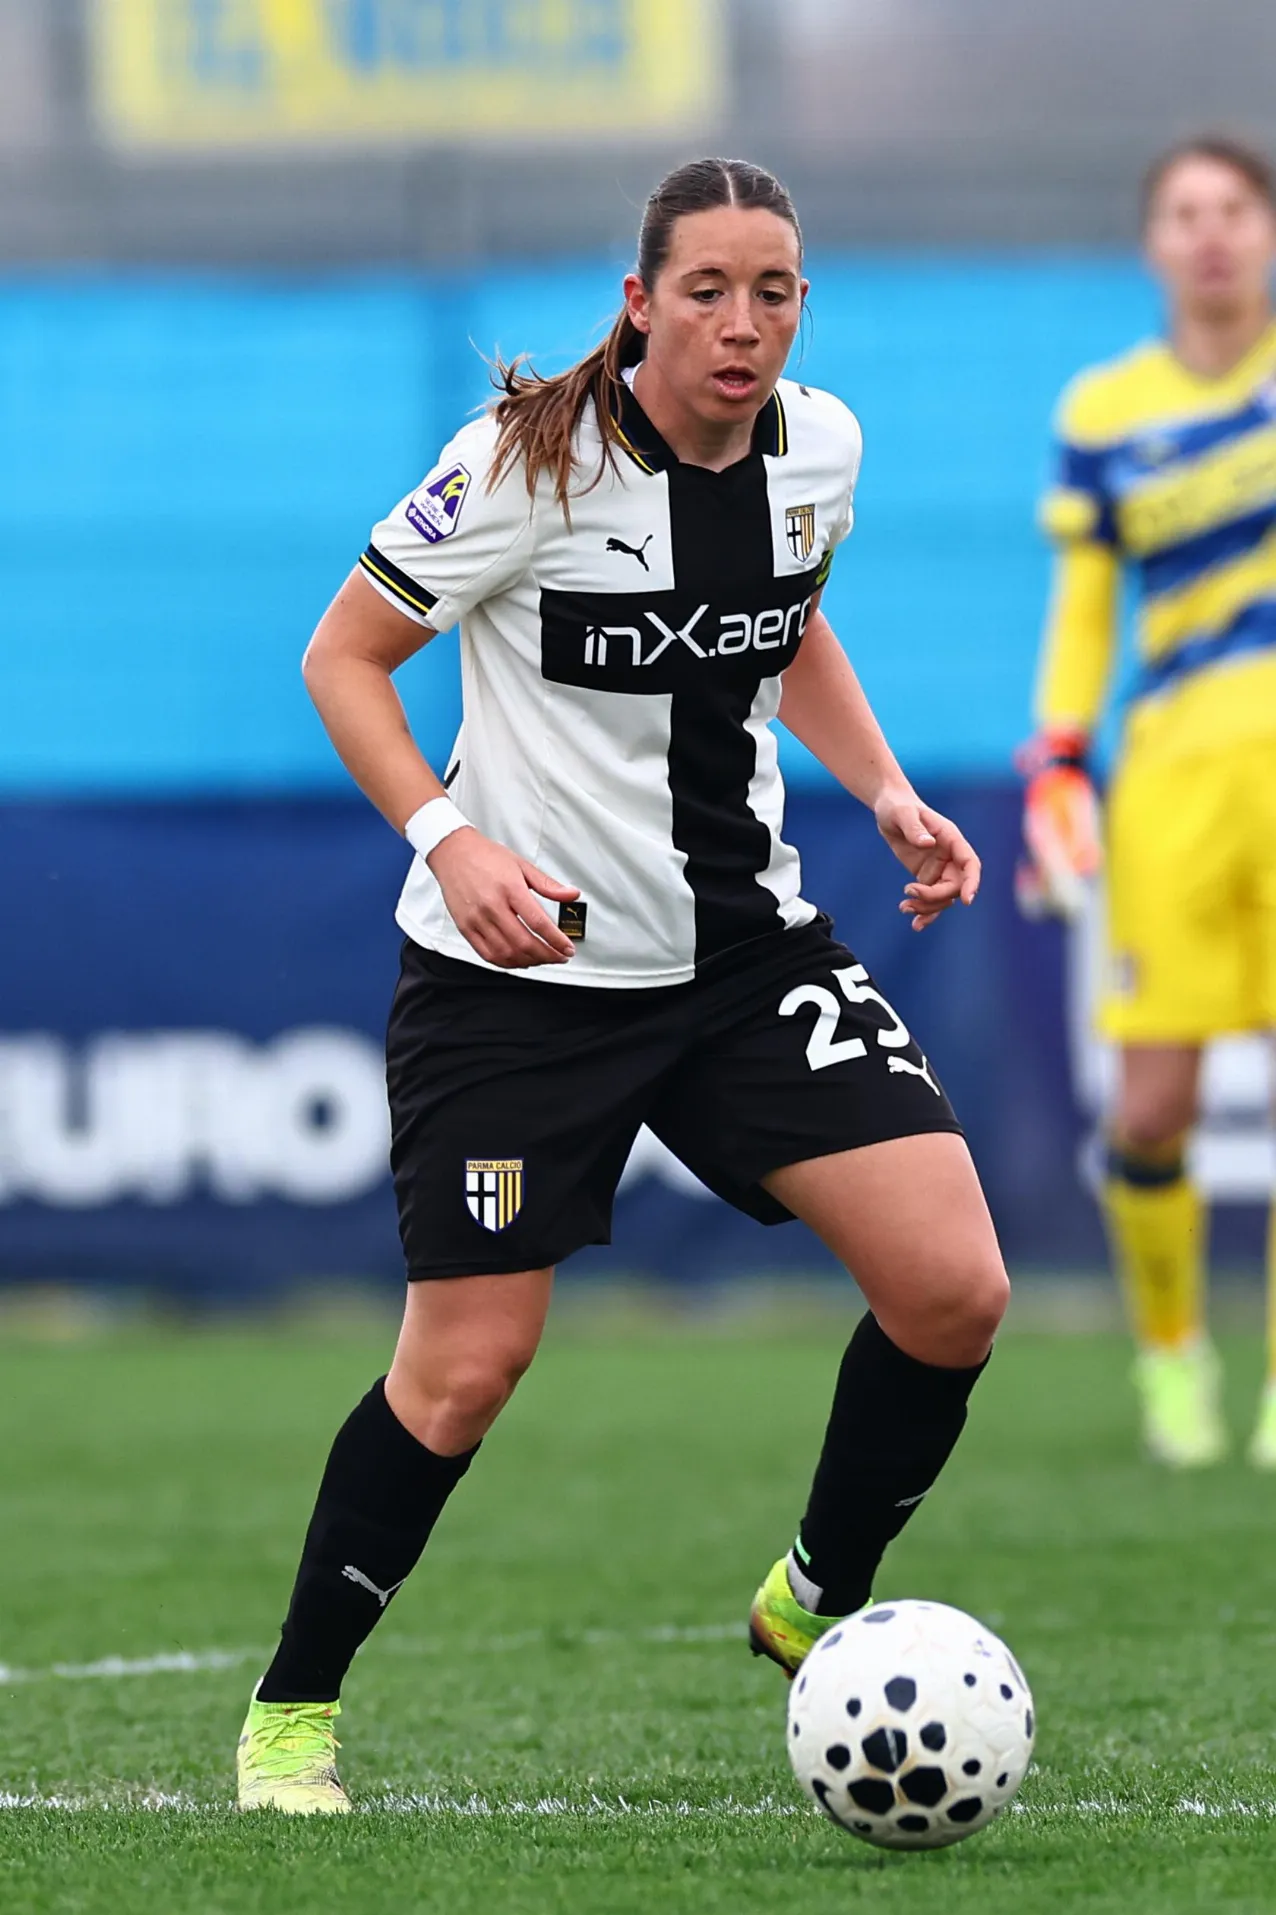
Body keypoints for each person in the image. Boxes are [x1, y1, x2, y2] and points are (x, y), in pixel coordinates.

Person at [236, 156, 1007, 1814]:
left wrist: (881, 787)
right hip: (519, 981)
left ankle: (813, 1594)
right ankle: (291, 1713)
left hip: (743, 958)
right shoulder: (523, 464)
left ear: (803, 307)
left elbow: (787, 623)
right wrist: (449, 841)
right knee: (465, 1369)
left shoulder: (821, 448)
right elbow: (341, 659)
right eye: (707, 291)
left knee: (955, 1288)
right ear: (640, 302)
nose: (742, 325)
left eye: (773, 293)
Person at [1024, 136, 1276, 1468]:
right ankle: (1173, 1357)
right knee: (1155, 1109)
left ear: (1268, 228)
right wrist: (1059, 752)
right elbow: (1084, 606)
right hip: (1174, 781)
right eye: (1186, 213)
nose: (1212, 233)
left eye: (1234, 207)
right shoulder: (1106, 410)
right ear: (1154, 243)